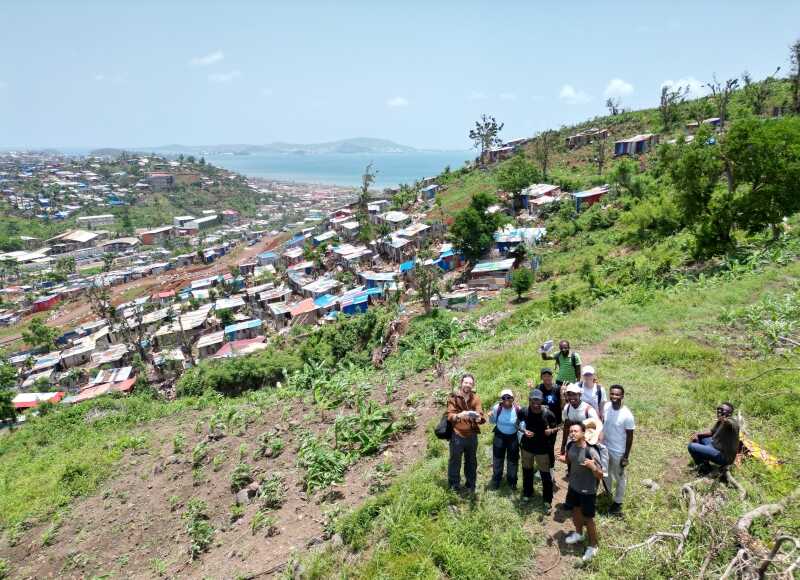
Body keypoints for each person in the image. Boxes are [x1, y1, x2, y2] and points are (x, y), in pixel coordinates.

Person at [559, 421, 603, 562]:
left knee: (588, 518)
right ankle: (579, 534)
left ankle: (593, 545)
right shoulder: (571, 445)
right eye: (571, 431)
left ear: (583, 433)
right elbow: (570, 459)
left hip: (587, 490)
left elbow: (601, 475)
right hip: (573, 486)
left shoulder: (591, 451)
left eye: (575, 431)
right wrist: (563, 459)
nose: (572, 433)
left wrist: (593, 467)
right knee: (575, 511)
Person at [518, 389, 559, 511]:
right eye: (533, 401)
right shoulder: (523, 411)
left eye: (538, 401)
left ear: (542, 401)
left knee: (545, 475)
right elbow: (516, 424)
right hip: (526, 447)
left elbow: (557, 428)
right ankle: (527, 493)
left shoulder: (548, 414)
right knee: (527, 471)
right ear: (529, 400)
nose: (535, 404)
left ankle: (547, 500)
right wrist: (524, 431)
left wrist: (550, 431)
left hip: (542, 449)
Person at [446, 374, 486, 493]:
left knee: (471, 461)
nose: (467, 385)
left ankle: (471, 484)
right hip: (457, 434)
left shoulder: (476, 398)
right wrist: (459, 415)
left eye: (470, 383)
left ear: (473, 385)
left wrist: (479, 418)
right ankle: (454, 485)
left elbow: (480, 414)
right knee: (455, 461)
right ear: (461, 383)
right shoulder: (453, 397)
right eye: (466, 382)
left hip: (472, 436)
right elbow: (449, 415)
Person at [601, 385, 635, 516]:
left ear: (622, 396)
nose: (614, 397)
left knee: (620, 477)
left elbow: (630, 436)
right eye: (612, 394)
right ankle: (607, 492)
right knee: (606, 473)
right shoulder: (606, 407)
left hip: (618, 451)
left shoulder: (627, 415)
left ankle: (618, 502)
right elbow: (604, 424)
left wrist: (625, 456)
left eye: (617, 395)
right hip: (605, 447)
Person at [688, 402, 740, 474]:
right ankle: (704, 463)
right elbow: (711, 433)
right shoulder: (720, 421)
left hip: (724, 456)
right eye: (719, 410)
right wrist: (697, 434)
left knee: (691, 446)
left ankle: (705, 469)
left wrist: (725, 420)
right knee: (699, 437)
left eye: (722, 410)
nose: (719, 412)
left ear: (729, 413)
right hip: (716, 446)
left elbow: (731, 423)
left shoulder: (732, 422)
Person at [488, 388, 520, 490]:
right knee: (497, 458)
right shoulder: (497, 408)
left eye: (509, 397)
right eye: (504, 397)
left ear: (513, 398)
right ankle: (497, 479)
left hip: (513, 437)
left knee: (513, 459)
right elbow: (493, 422)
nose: (506, 399)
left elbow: (522, 424)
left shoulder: (518, 409)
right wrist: (490, 417)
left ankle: (512, 481)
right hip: (499, 435)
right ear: (501, 399)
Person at [560, 384, 599, 458]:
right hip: (572, 442)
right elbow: (566, 427)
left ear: (580, 395)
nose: (571, 398)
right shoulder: (567, 408)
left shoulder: (589, 410)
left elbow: (597, 429)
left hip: (586, 444)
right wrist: (563, 445)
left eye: (574, 395)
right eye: (569, 395)